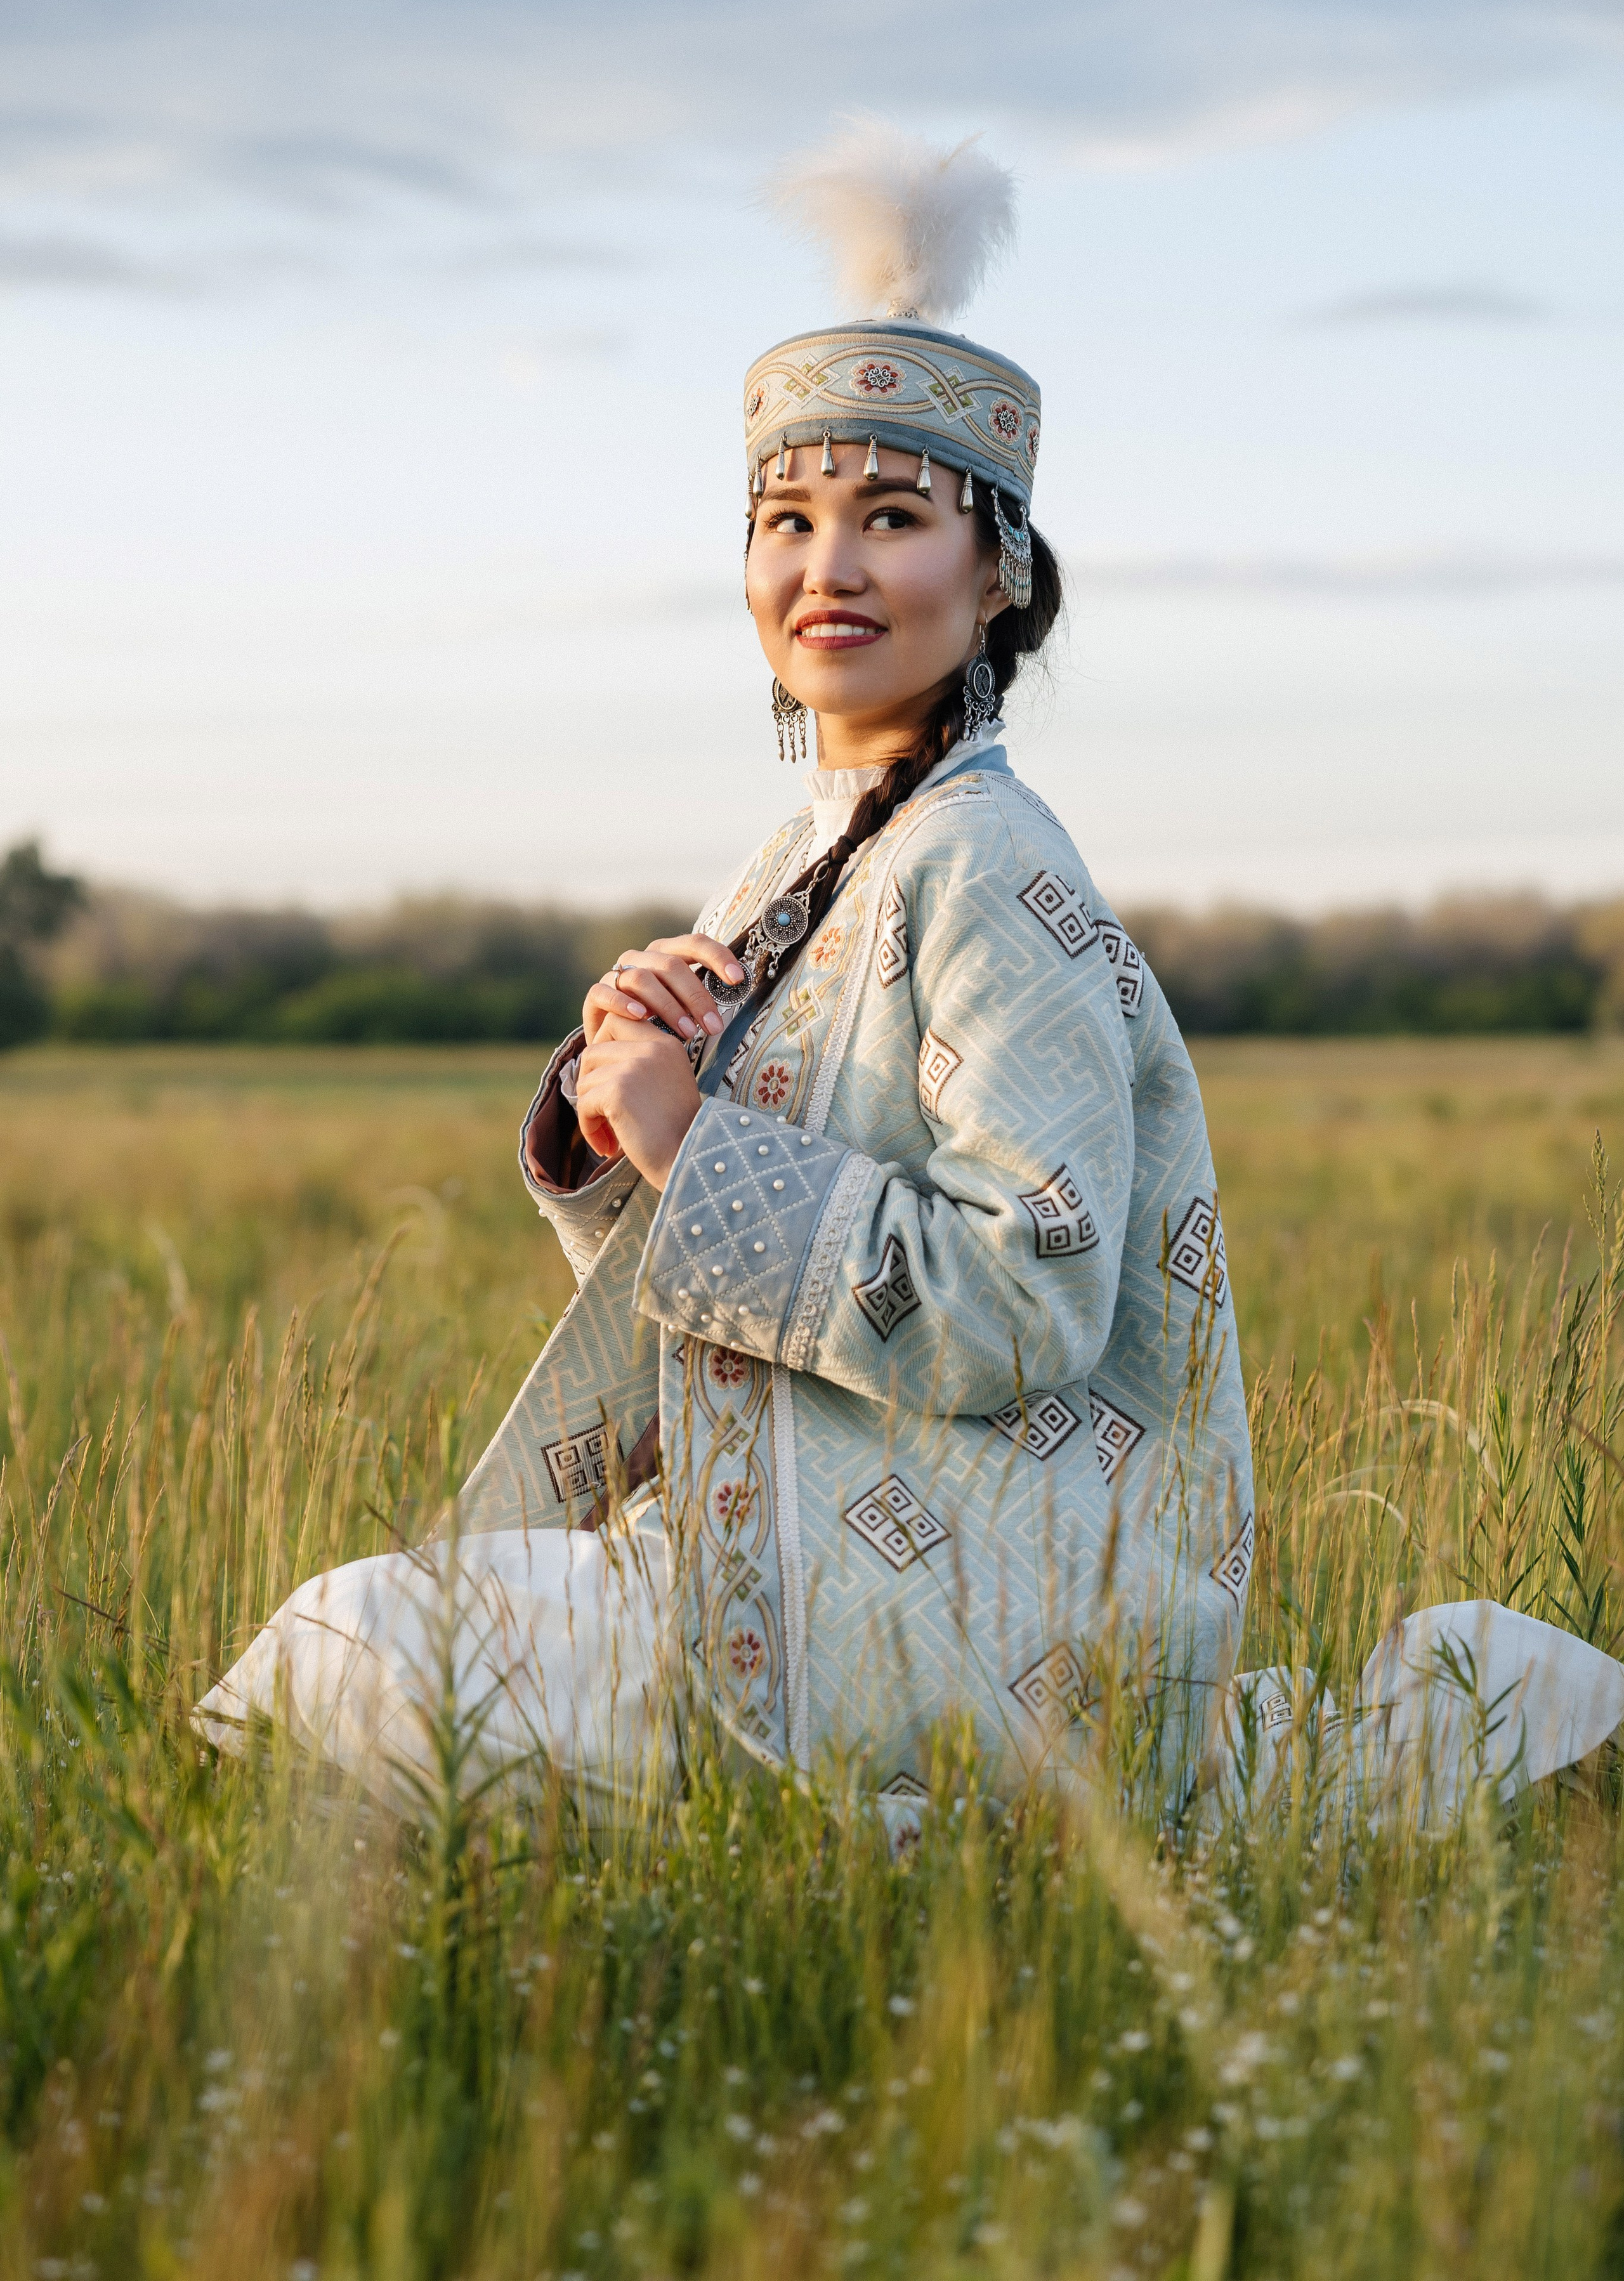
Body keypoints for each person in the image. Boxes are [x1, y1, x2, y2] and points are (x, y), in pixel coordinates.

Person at [195, 124, 1621, 1834]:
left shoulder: (992, 870)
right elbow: (734, 1270)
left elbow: (1027, 1292)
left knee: (357, 1654)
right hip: (783, 1530)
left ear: (997, 570)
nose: (830, 569)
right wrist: (615, 1115)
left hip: (959, 1593)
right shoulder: (797, 863)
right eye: (787, 521)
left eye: (891, 518)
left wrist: (693, 1146)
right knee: (356, 1665)